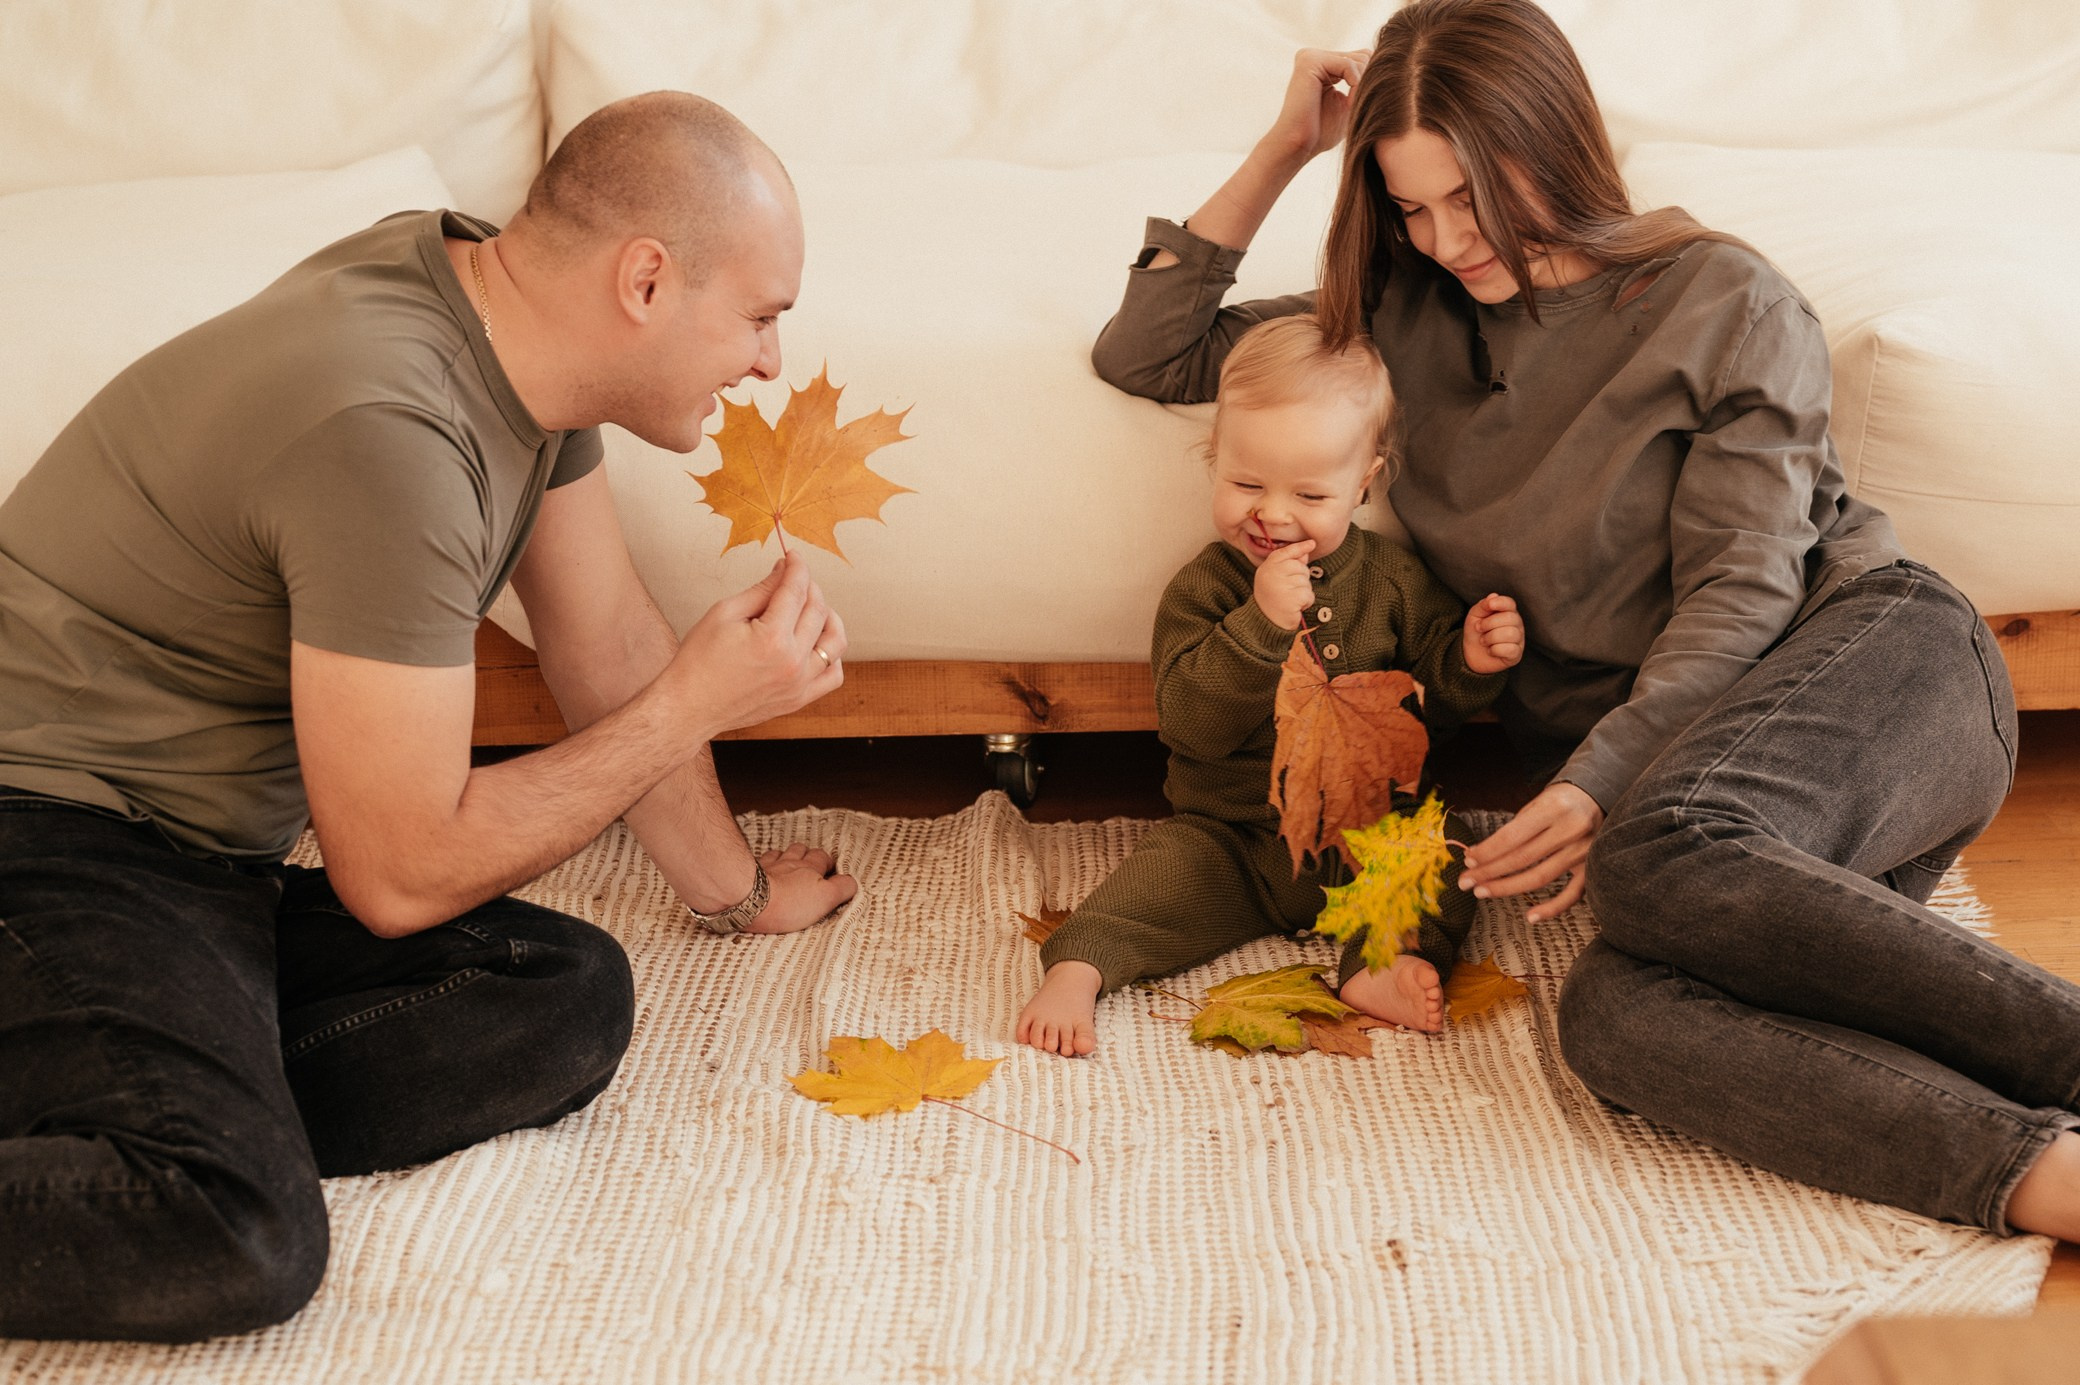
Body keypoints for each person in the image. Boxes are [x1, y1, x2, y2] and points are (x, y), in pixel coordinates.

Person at [1087, 0, 2080, 1241]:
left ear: (1552, 141)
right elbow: (1150, 350)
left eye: (1469, 196)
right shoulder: (1400, 320)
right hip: (1698, 802)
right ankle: (2044, 1179)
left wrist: (1600, 780)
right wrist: (1288, 146)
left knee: (1657, 852)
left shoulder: (1724, 300)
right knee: (1612, 1018)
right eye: (1410, 206)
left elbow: (1742, 587)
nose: (1447, 239)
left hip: (1873, 664)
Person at [0, 92, 859, 1342]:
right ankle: (168, 1110)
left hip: (193, 859)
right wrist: (696, 702)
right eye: (762, 314)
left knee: (558, 989)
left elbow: (600, 635)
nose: (771, 360)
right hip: (48, 832)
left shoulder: (501, 322)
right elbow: (399, 873)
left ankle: (125, 1075)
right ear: (645, 280)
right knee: (234, 1224)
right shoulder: (387, 431)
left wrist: (734, 892)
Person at [1018, 314, 1524, 1057]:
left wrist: (1471, 663)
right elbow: (1191, 723)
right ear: (1212, 457)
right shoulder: (1205, 589)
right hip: (1235, 839)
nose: (1273, 513)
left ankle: (1381, 965)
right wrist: (1258, 623)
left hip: (1370, 836)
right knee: (1154, 882)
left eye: (1310, 495)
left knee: (1446, 851)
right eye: (1246, 481)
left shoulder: (1392, 581)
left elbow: (1426, 711)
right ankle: (1078, 969)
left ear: (1363, 485)